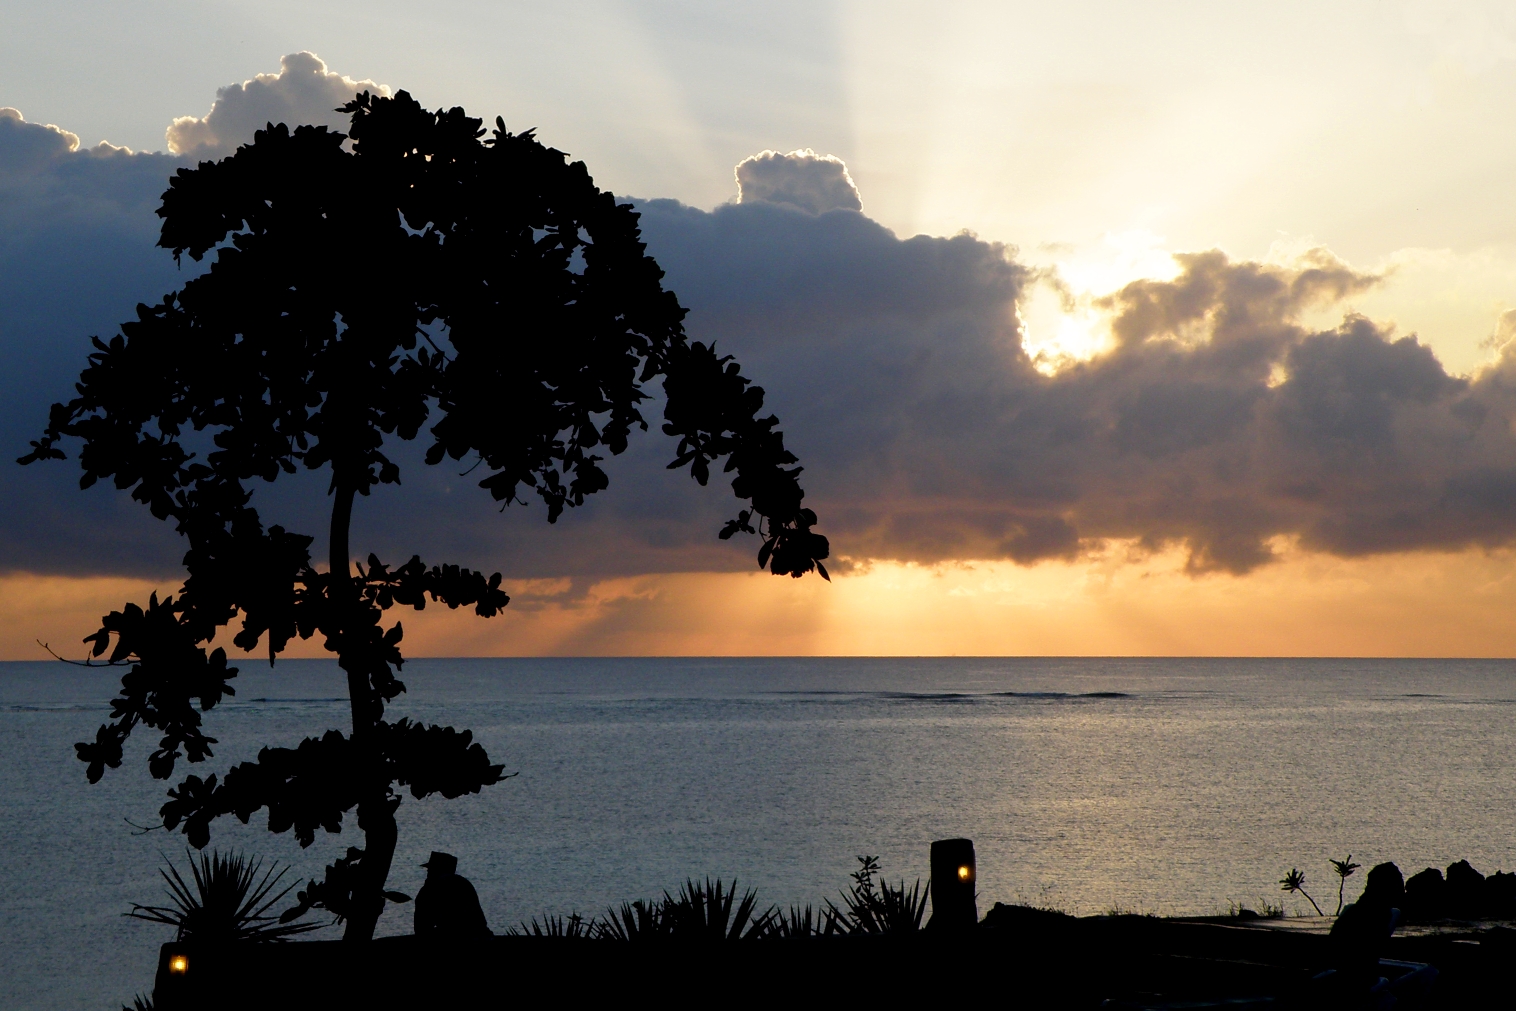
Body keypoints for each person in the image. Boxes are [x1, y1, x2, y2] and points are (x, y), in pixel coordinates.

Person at [1319, 862, 1436, 1008]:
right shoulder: (1380, 916)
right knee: (1430, 973)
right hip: (1362, 986)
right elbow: (1369, 954)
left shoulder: (1351, 913)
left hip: (1340, 981)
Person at [413, 851, 491, 938]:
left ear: (434, 870)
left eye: (429, 870)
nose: (427, 874)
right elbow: (480, 921)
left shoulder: (430, 889)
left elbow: (421, 928)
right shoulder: (464, 884)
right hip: (480, 937)